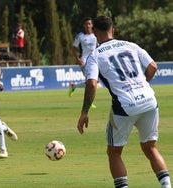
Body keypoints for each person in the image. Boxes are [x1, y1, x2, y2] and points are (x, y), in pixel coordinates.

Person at [77, 16, 171, 188]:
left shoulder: (95, 55)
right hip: (149, 100)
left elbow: (91, 83)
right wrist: (143, 84)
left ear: (95, 33)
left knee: (114, 152)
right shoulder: (131, 45)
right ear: (113, 30)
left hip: (125, 106)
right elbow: (153, 66)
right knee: (151, 148)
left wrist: (84, 112)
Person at [69, 17, 98, 98]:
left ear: (92, 25)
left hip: (95, 61)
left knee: (95, 81)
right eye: (86, 24)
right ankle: (89, 99)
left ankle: (73, 86)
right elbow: (73, 48)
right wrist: (77, 59)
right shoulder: (80, 36)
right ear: (84, 25)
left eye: (89, 24)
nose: (88, 26)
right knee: (90, 81)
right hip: (84, 61)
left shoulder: (96, 35)